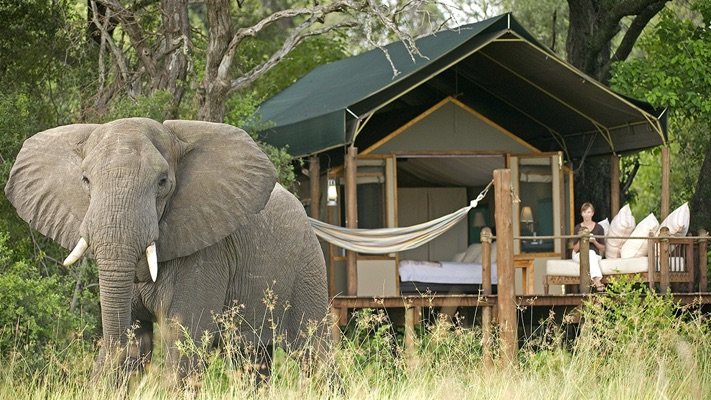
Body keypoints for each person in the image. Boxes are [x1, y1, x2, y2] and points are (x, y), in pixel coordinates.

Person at [572, 202, 606, 291]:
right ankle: (597, 281)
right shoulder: (577, 227)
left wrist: (594, 241)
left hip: (595, 255)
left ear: (592, 213)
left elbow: (603, 248)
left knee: (591, 253)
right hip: (579, 255)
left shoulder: (599, 228)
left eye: (589, 212)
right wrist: (583, 239)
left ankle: (595, 280)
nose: (586, 215)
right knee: (589, 253)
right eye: (584, 212)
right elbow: (575, 249)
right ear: (581, 214)